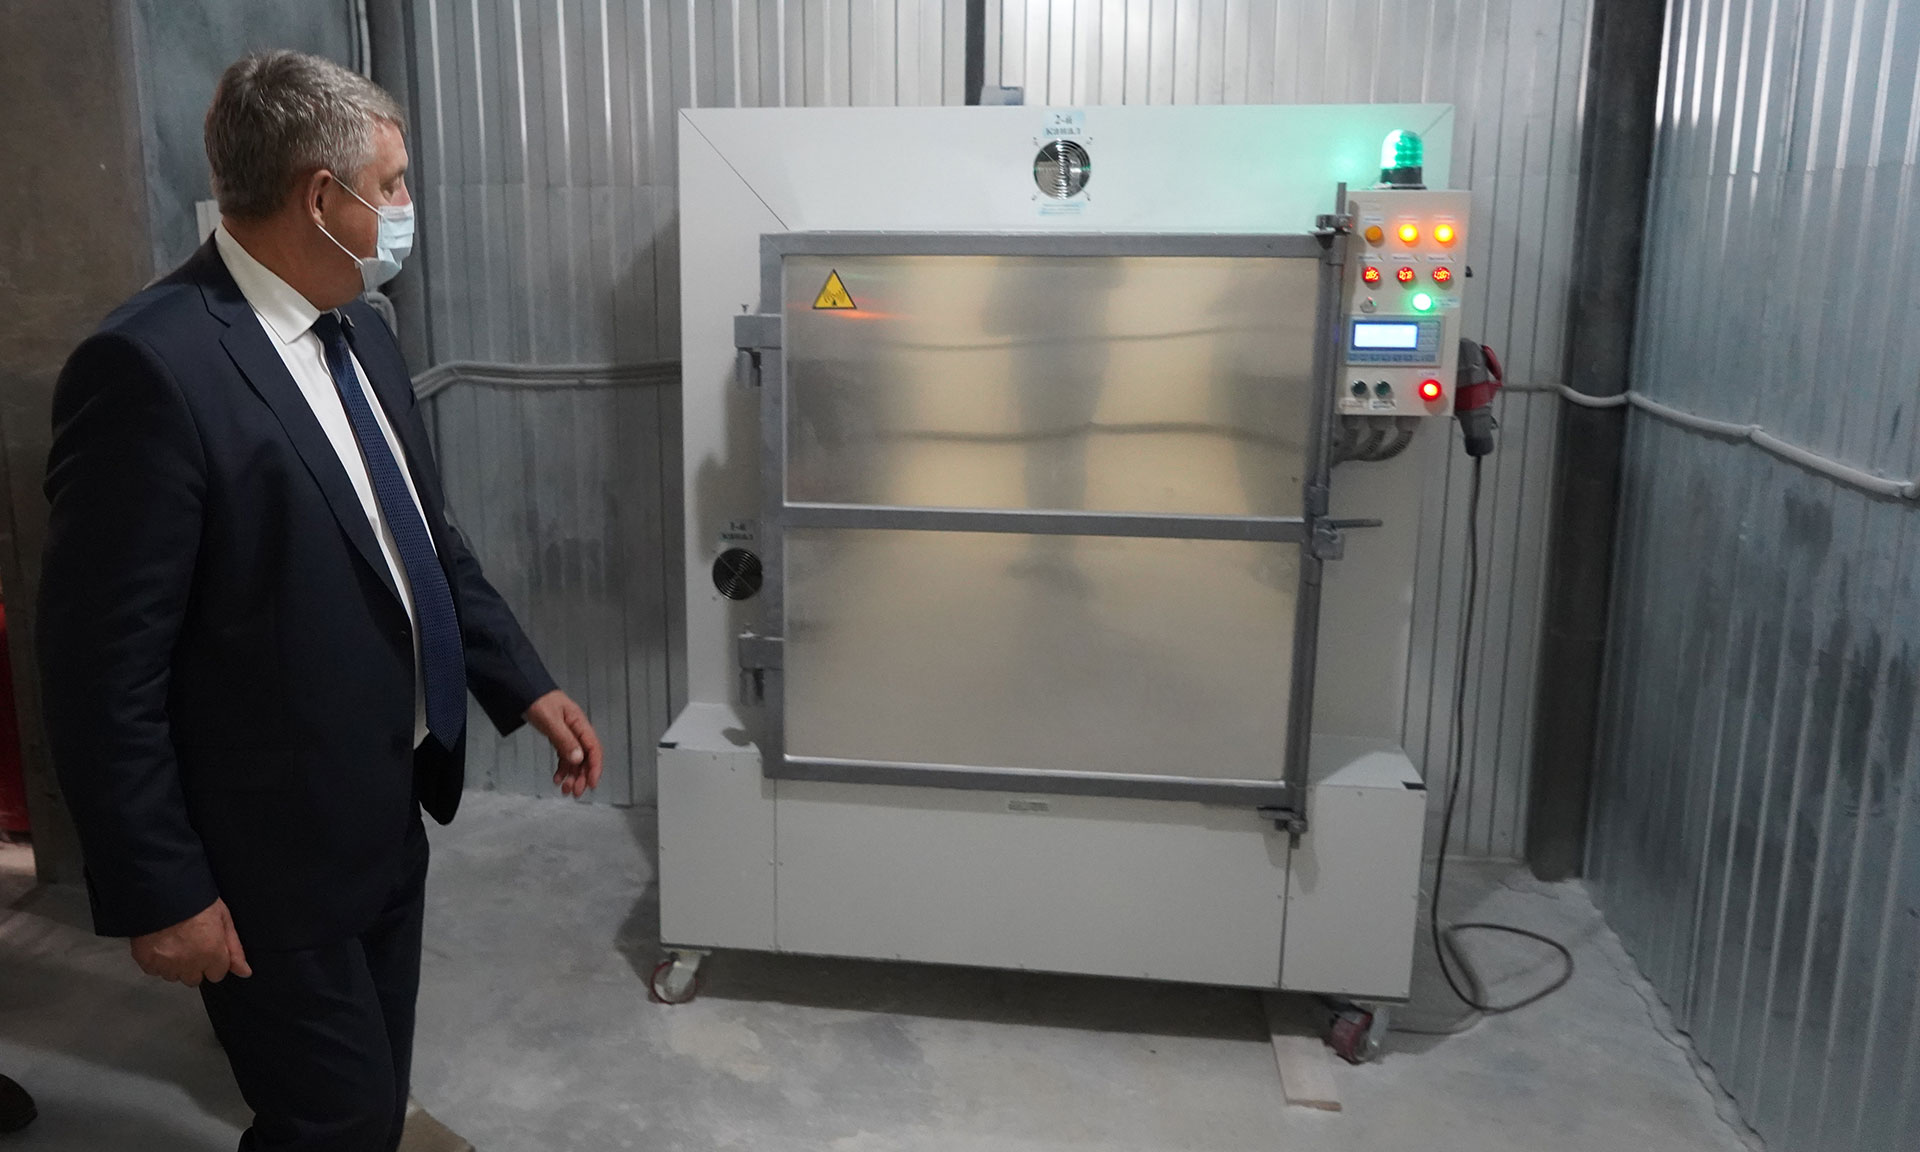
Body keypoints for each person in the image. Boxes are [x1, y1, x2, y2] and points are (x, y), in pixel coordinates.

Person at [37, 51, 603, 1152]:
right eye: (391, 184)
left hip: (385, 807)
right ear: (319, 196)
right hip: (264, 854)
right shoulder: (149, 368)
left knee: (369, 1104)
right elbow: (101, 671)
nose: (405, 206)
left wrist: (522, 684)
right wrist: (161, 890)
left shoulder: (361, 331)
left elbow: (422, 541)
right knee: (329, 1117)